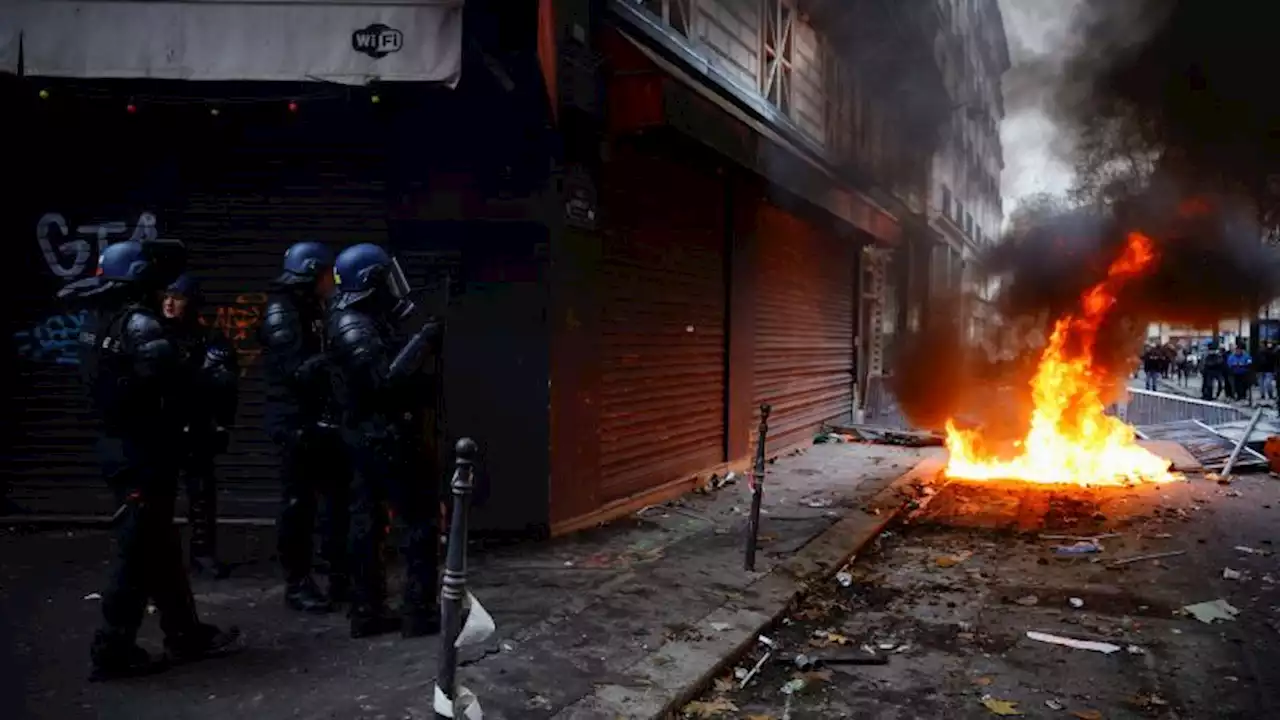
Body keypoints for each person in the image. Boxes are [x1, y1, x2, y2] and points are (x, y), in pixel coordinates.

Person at [75, 240, 239, 680]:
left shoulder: (98, 319)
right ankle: (111, 652)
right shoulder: (139, 326)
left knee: (161, 549)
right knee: (136, 555)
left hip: (126, 448)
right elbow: (177, 387)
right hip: (140, 455)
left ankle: (185, 634)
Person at [327, 243, 443, 639]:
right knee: (416, 523)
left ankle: (369, 609)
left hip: (369, 435)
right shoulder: (353, 326)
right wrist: (424, 341)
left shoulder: (356, 319)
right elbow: (386, 381)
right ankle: (418, 611)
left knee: (369, 523)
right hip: (382, 436)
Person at [260, 241, 349, 613]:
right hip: (295, 423)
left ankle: (337, 573)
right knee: (298, 506)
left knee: (333, 500)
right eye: (328, 273)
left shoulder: (312, 307)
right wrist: (334, 358)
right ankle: (297, 584)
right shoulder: (283, 313)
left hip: (318, 420)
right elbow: (295, 372)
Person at [162, 274, 238, 577]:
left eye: (177, 297)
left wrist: (221, 424)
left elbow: (224, 384)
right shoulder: (152, 335)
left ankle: (202, 553)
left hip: (195, 427)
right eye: (166, 296)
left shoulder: (209, 339)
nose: (169, 303)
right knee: (156, 498)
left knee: (202, 494)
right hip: (162, 427)